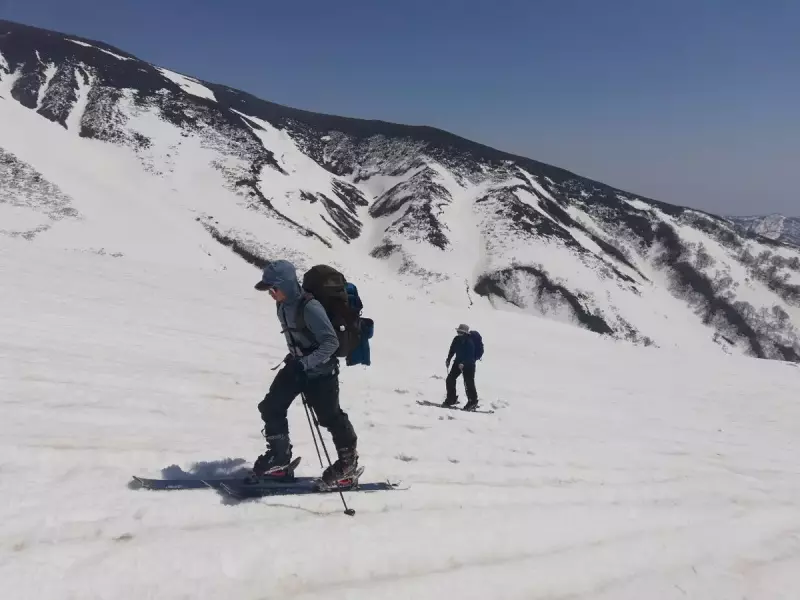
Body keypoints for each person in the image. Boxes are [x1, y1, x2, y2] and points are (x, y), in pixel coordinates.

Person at [252, 260, 359, 485]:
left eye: (273, 288)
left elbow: (330, 343)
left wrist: (306, 362)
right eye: (269, 290)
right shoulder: (282, 305)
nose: (271, 294)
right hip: (298, 366)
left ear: (287, 285)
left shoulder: (310, 307)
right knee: (271, 407)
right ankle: (279, 459)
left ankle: (348, 464)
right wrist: (298, 360)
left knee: (330, 417)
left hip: (321, 372)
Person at [444, 324, 479, 410]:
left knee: (468, 383)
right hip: (457, 362)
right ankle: (451, 399)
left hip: (469, 365)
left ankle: (473, 402)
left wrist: (464, 363)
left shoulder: (469, 342)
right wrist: (448, 359)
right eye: (458, 331)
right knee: (450, 379)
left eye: (460, 332)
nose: (458, 333)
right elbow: (452, 350)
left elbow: (470, 356)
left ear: (465, 333)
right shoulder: (456, 339)